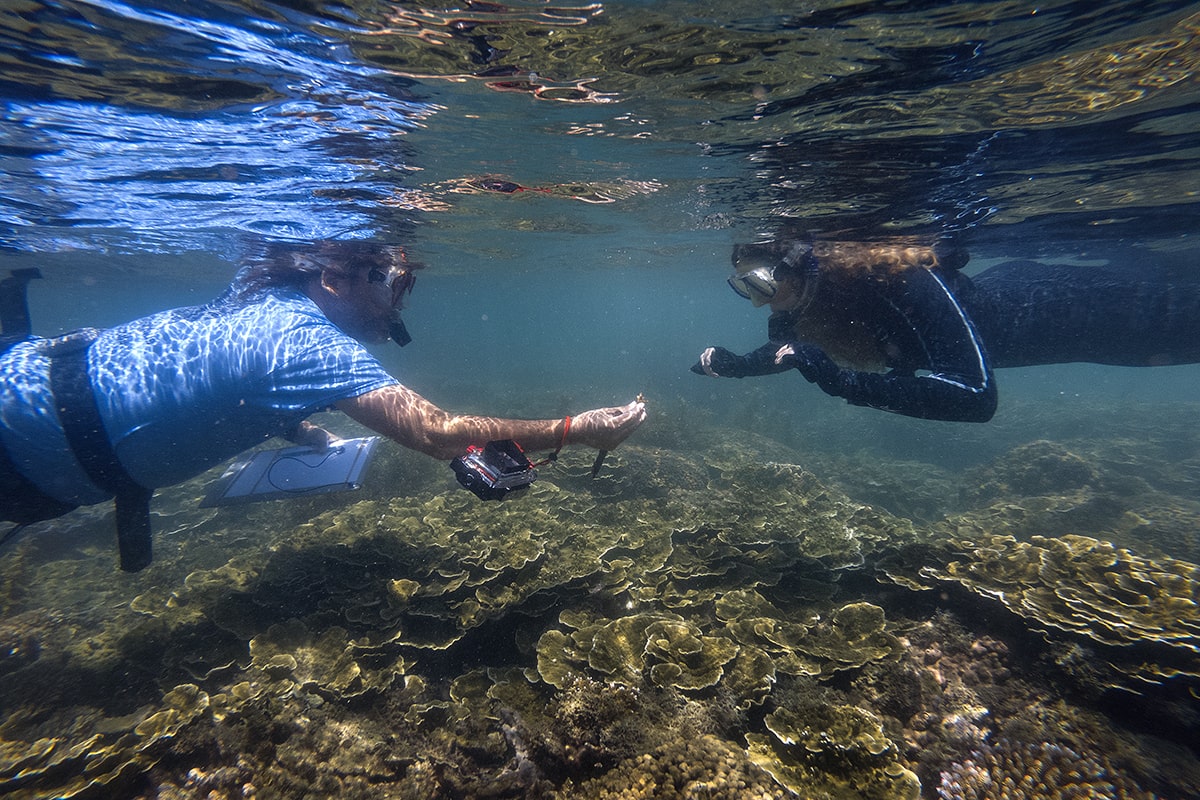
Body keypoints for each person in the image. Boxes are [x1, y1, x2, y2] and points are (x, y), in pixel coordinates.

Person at [1, 242, 646, 571]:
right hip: (21, 450)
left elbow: (228, 373)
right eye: (387, 281)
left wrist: (298, 426)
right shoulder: (305, 340)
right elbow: (440, 433)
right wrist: (574, 429)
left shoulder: (258, 304)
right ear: (329, 277)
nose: (395, 304)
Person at [692, 238, 1200, 423]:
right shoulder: (797, 305)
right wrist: (734, 366)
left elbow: (976, 397)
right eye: (744, 288)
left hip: (1060, 310)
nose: (756, 300)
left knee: (1176, 318)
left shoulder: (894, 279)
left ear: (797, 266)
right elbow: (787, 350)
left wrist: (843, 383)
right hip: (1034, 303)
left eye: (758, 283)